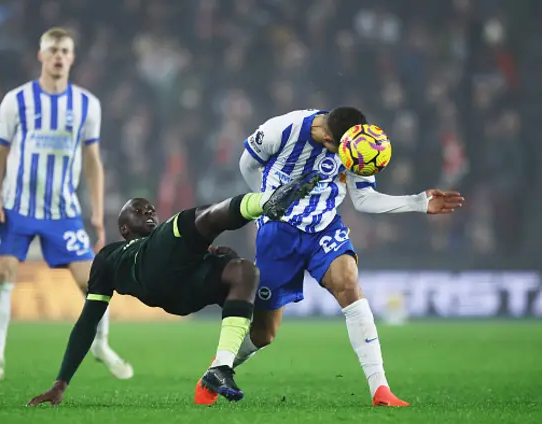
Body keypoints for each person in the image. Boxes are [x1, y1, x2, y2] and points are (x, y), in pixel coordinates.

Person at [194, 107, 464, 407]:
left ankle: (380, 390)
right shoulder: (281, 129)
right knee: (264, 334)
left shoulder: (358, 144)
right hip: (279, 234)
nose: (344, 161)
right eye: (339, 152)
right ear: (326, 138)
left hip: (324, 228)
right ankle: (217, 369)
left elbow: (362, 199)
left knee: (348, 282)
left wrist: (417, 203)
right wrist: (268, 201)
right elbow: (247, 164)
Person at [26, 173, 321, 406]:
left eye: (151, 208)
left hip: (186, 286)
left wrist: (220, 258)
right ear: (124, 228)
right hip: (151, 269)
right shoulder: (109, 255)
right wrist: (60, 383)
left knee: (244, 271)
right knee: (189, 221)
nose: (149, 212)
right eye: (139, 211)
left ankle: (221, 368)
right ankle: (264, 202)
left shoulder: (173, 245)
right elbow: (88, 320)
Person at [0, 27, 132, 382]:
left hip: (62, 212)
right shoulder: (16, 100)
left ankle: (101, 346)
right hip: (16, 208)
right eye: (53, 50)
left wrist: (96, 213)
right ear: (41, 55)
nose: (59, 56)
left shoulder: (86, 104)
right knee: (3, 273)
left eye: (65, 50)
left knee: (95, 281)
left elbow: (92, 161)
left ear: (72, 57)